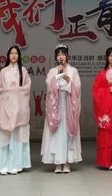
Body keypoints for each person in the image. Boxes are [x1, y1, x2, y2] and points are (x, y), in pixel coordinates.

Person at [41, 44, 82, 173]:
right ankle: (58, 162)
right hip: (56, 105)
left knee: (67, 131)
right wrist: (57, 77)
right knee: (57, 132)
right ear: (56, 57)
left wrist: (67, 80)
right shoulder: (52, 71)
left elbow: (77, 87)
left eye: (63, 54)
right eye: (58, 55)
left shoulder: (73, 70)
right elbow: (49, 86)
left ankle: (67, 162)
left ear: (67, 56)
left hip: (68, 104)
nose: (61, 57)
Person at [0, 45, 32, 175]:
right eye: (11, 53)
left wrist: (15, 91)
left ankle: (15, 165)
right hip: (5, 108)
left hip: (19, 108)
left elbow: (27, 87)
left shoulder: (23, 71)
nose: (14, 55)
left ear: (19, 56)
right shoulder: (3, 71)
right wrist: (8, 91)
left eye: (16, 53)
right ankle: (2, 166)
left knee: (17, 136)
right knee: (5, 134)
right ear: (8, 56)